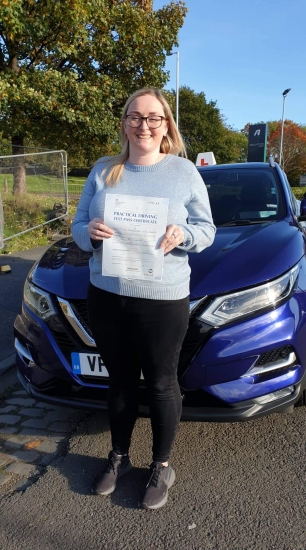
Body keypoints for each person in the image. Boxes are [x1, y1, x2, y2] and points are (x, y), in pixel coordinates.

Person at [71, 87, 216, 510]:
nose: (144, 125)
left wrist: (182, 234)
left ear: (166, 125)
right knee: (118, 382)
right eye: (136, 116)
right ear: (125, 123)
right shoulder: (103, 170)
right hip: (108, 295)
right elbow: (79, 225)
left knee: (160, 382)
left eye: (154, 117)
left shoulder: (184, 172)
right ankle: (119, 457)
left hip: (163, 299)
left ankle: (161, 464)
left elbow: (206, 231)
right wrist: (90, 233)